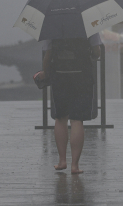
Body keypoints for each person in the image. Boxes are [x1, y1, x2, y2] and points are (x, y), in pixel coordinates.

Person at [36, 33, 102, 174]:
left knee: (60, 118)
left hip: (59, 76)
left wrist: (46, 74)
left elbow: (47, 56)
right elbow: (97, 51)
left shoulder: (53, 27)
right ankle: (75, 165)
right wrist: (93, 56)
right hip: (82, 76)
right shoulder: (88, 23)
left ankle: (61, 161)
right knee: (77, 119)